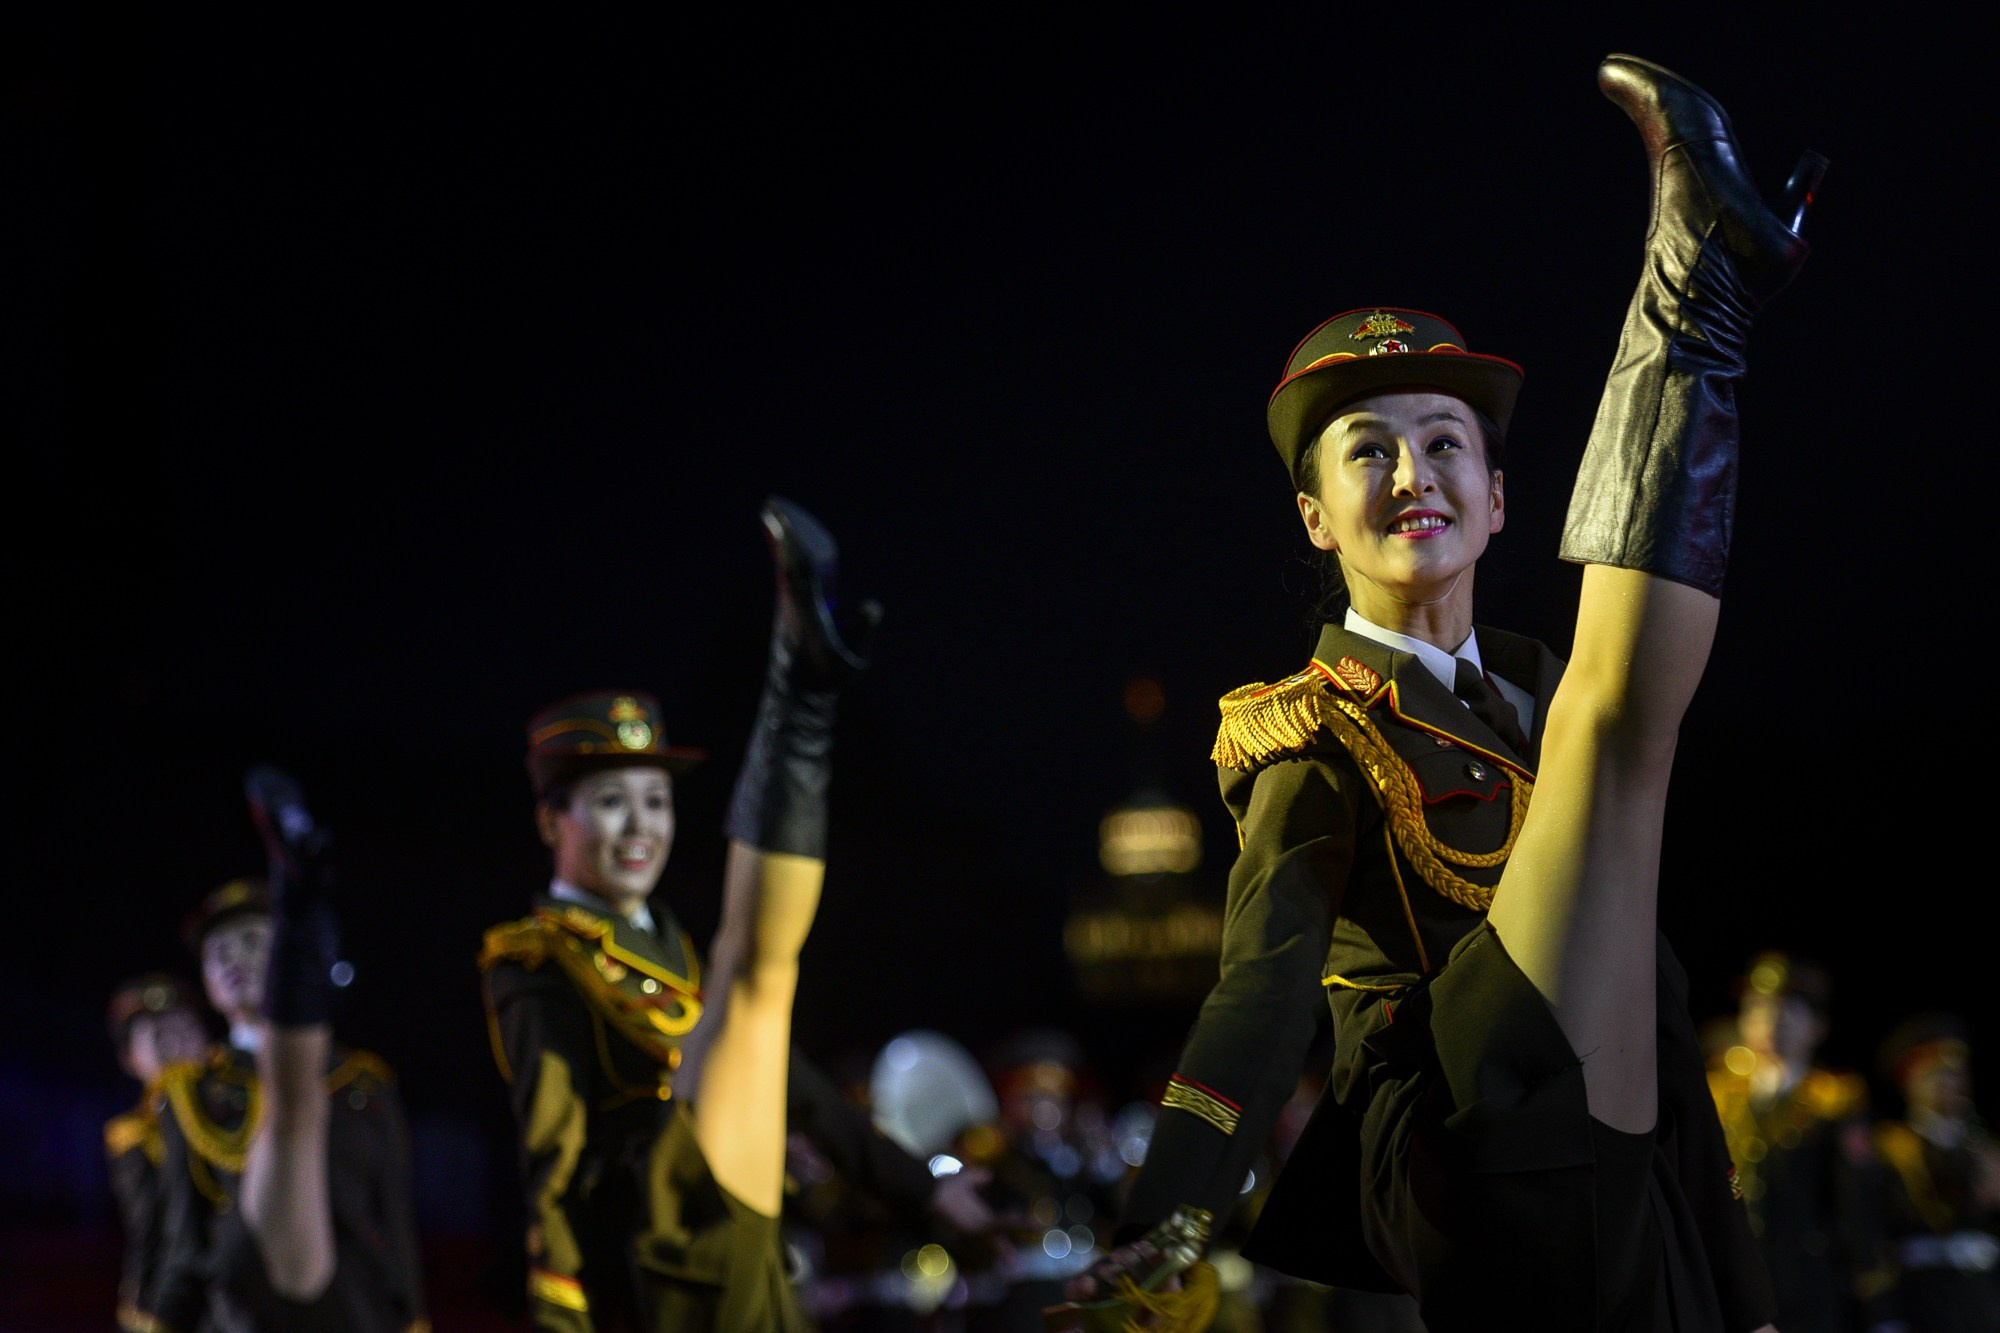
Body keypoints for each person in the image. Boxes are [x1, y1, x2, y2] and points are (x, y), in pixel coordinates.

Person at [1057, 53, 1824, 1332]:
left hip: (1620, 1120)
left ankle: (1709, 272)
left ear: (1500, 501)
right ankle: (1698, 281)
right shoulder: (1309, 727)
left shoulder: (1532, 684)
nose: (1410, 471)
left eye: (1442, 442)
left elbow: (1650, 987)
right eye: (1366, 450)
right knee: (1616, 721)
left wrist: (1739, 1290)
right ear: (1314, 518)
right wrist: (1168, 1212)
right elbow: (1260, 989)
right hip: (1458, 1131)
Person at [480, 497, 982, 1330]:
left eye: (655, 800)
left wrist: (922, 1187)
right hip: (651, 1239)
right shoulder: (532, 957)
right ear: (549, 822)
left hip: (736, 1226)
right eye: (610, 801)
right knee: (755, 970)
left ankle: (805, 684)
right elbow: (553, 1145)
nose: (641, 825)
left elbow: (791, 1080)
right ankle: (802, 686)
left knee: (758, 985)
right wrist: (561, 1303)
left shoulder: (664, 940)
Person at [146, 809, 429, 1332]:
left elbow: (393, 1221)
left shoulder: (362, 1082)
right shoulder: (189, 1092)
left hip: (357, 1313)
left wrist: (411, 1316)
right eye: (218, 953)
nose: (235, 960)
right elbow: (183, 1241)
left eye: (254, 942)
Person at [1706, 952, 1895, 1331]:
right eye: (1758, 1006)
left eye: (1789, 1008)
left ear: (1818, 1027)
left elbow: (1855, 1200)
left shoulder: (1834, 1099)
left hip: (1808, 1283)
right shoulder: (1719, 1093)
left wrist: (1876, 1297)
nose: (1771, 1019)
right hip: (1732, 1279)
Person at [1871, 1014, 2000, 1333]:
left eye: (1956, 1073)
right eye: (1936, 1074)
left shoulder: (1983, 1147)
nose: (1950, 1084)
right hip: (1920, 1299)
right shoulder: (1889, 1147)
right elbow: (1875, 1234)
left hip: (1981, 1298)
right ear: (1910, 1081)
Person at [104, 972, 211, 1332]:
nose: (176, 1044)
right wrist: (145, 1317)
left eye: (184, 1027)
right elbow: (150, 1237)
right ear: (130, 1059)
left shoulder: (245, 1107)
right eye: (158, 1035)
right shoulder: (135, 1135)